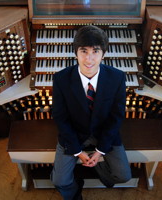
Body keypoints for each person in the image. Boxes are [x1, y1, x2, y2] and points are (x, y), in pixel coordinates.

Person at [51, 25, 132, 200]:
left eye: (95, 51)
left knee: (123, 176)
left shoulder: (117, 77)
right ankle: (75, 190)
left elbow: (116, 116)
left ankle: (98, 167)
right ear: (75, 53)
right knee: (59, 180)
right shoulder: (60, 79)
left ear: (104, 54)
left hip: (103, 133)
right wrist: (78, 152)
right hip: (73, 133)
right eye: (83, 51)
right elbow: (60, 118)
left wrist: (100, 151)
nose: (89, 58)